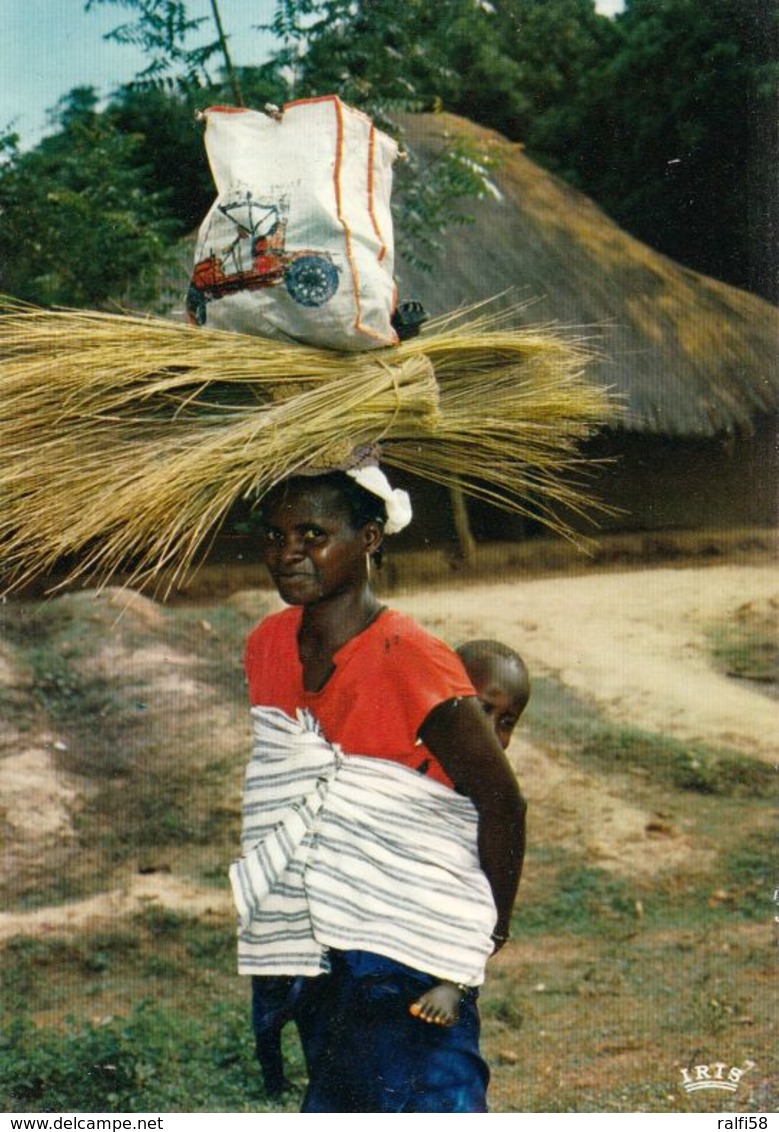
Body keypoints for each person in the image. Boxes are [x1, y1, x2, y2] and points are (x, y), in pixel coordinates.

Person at [231, 465, 526, 1112]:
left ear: (368, 538)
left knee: (429, 1101)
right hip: (316, 940)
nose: (288, 552)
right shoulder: (267, 645)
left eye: (313, 533)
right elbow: (285, 785)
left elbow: (499, 801)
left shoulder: (408, 657)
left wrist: (485, 933)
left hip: (405, 946)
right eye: (275, 535)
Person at [409, 638, 530, 1027]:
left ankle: (453, 984)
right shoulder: (410, 762)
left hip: (447, 934)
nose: (492, 731)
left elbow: (486, 888)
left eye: (507, 722)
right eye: (483, 710)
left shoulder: (492, 797)